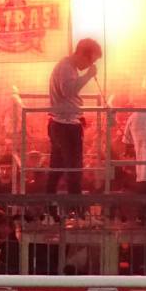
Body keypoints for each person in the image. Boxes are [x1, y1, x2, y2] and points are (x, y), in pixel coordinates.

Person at [46, 39, 103, 196]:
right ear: (83, 54)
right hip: (66, 126)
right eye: (92, 60)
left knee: (56, 169)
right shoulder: (66, 68)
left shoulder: (68, 67)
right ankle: (76, 211)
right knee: (74, 170)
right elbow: (68, 90)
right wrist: (88, 76)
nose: (91, 65)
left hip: (62, 123)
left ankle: (50, 207)